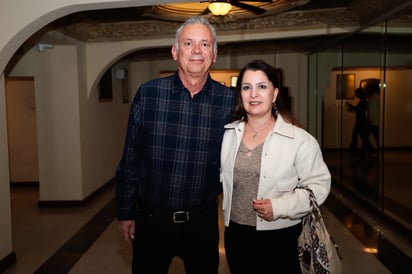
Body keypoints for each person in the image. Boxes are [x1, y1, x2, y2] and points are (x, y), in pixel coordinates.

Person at [115, 16, 234, 274]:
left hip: (202, 223)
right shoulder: (148, 94)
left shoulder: (230, 102)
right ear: (174, 51)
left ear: (214, 54)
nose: (196, 51)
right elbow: (130, 159)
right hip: (151, 222)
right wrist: (126, 212)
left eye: (205, 44)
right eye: (188, 43)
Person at [220, 60, 331, 274]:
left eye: (262, 86)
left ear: (275, 93)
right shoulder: (229, 135)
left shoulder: (299, 139)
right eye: (246, 87)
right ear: (240, 94)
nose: (254, 94)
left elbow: (319, 187)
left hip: (280, 238)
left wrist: (279, 207)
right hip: (236, 236)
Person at [346, 88, 374, 152]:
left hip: (361, 121)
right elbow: (358, 109)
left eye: (356, 93)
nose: (356, 95)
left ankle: (353, 148)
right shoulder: (363, 100)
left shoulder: (363, 101)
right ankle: (369, 148)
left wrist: (351, 108)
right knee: (363, 136)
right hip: (361, 121)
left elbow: (359, 110)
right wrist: (351, 108)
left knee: (357, 135)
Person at [366, 82, 380, 147]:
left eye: (369, 89)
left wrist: (369, 119)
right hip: (375, 121)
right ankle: (375, 151)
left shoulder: (372, 98)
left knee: (375, 137)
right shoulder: (377, 97)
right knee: (376, 137)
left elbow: (371, 110)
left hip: (373, 121)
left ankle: (371, 150)